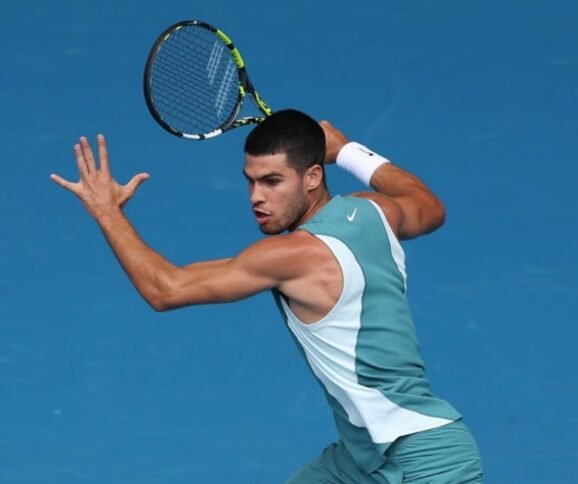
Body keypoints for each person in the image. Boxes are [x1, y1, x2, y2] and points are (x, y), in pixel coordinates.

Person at [51, 109, 483, 482]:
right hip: (360, 461)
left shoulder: (293, 254)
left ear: (313, 176)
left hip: (427, 463)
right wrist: (347, 149)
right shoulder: (374, 211)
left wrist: (108, 212)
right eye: (251, 181)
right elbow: (428, 204)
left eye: (273, 181)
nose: (257, 197)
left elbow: (166, 289)